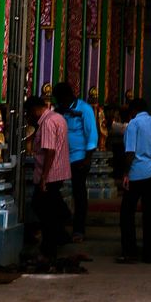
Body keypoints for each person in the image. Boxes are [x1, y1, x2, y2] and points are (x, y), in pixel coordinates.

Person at [119, 97, 151, 264]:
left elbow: (130, 151)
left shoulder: (133, 124)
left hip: (136, 173)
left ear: (133, 111)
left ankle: (130, 251)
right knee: (150, 214)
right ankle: (149, 254)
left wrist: (126, 173)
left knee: (127, 214)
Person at [26, 94, 72, 265]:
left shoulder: (46, 123)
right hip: (59, 171)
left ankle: (50, 247)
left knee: (43, 210)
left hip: (50, 174)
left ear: (34, 110)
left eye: (29, 114)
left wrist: (44, 177)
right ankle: (60, 231)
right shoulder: (58, 117)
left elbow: (49, 151)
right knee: (47, 207)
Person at [53, 81, 98, 242]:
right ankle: (64, 217)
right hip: (61, 157)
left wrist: (87, 158)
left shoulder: (84, 109)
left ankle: (79, 230)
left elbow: (92, 134)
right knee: (53, 189)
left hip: (79, 158)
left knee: (79, 193)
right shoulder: (60, 110)